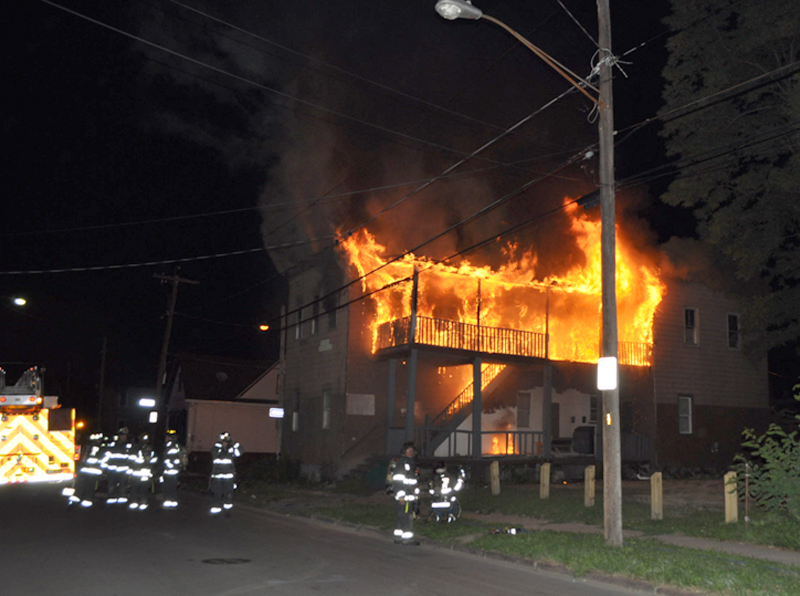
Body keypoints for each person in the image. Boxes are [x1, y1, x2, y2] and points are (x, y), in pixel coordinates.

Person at [390, 441, 420, 545]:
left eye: (412, 451)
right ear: (404, 452)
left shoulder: (410, 463)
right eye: (408, 451)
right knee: (406, 517)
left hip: (408, 496)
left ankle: (398, 537)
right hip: (404, 497)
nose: (411, 453)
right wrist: (401, 496)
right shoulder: (403, 463)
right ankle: (408, 539)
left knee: (401, 516)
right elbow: (398, 481)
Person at [66, 433, 104, 508]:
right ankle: (87, 502)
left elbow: (81, 458)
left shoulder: (86, 446)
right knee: (90, 487)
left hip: (83, 471)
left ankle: (75, 500)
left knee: (80, 486)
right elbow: (101, 460)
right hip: (94, 471)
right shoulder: (100, 448)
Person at [209, 432, 241, 515]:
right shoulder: (216, 449)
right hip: (217, 477)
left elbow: (239, 453)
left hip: (229, 477)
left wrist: (234, 444)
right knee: (217, 494)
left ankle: (227, 510)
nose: (225, 443)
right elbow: (219, 455)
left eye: (227, 442)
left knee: (228, 494)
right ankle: (216, 511)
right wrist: (221, 446)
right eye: (224, 441)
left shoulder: (230, 450)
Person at [100, 427, 132, 505]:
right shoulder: (112, 445)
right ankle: (111, 498)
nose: (123, 437)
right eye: (122, 435)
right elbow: (106, 456)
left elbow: (131, 458)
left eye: (125, 435)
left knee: (122, 485)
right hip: (112, 469)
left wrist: (130, 469)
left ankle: (122, 499)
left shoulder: (129, 446)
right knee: (111, 485)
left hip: (123, 470)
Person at [128, 433, 157, 510]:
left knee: (135, 488)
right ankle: (143, 502)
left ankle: (134, 502)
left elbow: (131, 461)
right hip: (145, 473)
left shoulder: (135, 448)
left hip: (136, 473)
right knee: (143, 489)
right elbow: (154, 461)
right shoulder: (150, 449)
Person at [160, 431, 184, 509]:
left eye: (167, 437)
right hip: (174, 471)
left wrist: (166, 467)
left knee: (167, 487)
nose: (165, 438)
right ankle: (172, 501)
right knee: (172, 487)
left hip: (169, 471)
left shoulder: (171, 447)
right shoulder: (176, 446)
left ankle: (168, 501)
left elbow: (169, 459)